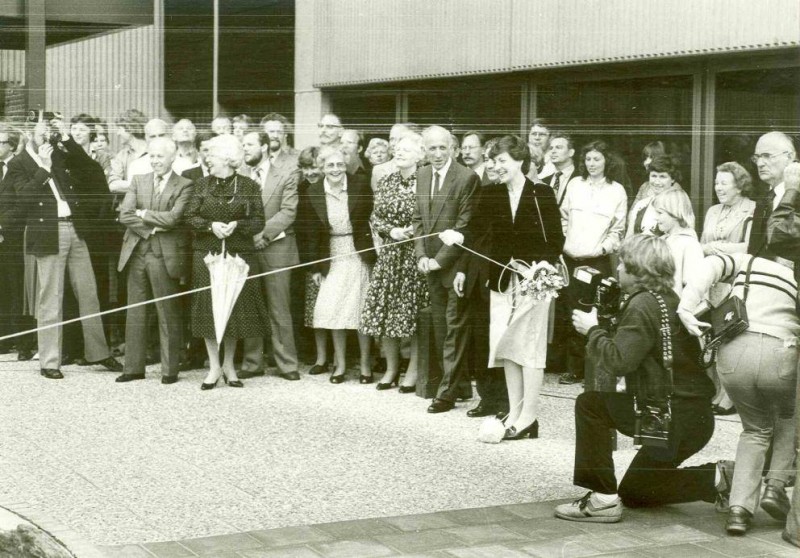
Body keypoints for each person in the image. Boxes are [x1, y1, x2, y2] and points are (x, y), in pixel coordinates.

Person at [555, 235, 719, 524]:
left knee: (590, 404)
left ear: (637, 271)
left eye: (622, 265)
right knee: (636, 491)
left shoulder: (642, 304)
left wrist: (592, 330)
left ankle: (602, 500)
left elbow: (620, 361)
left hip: (669, 415)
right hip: (692, 416)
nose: (617, 269)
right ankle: (722, 477)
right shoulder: (668, 298)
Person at [451, 135, 564, 436]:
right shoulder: (491, 194)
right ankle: (514, 414)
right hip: (501, 280)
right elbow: (473, 231)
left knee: (529, 347)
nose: (496, 166)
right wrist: (456, 237)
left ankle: (529, 417)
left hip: (535, 280)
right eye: (493, 161)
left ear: (519, 162)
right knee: (507, 346)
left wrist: (537, 266)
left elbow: (556, 241)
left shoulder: (542, 194)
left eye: (502, 161)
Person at [679, 252, 798, 535]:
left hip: (733, 355)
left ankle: (739, 511)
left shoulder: (748, 262)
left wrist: (686, 307)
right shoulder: (795, 277)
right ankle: (776, 487)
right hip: (780, 354)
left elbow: (707, 265)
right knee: (789, 420)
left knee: (754, 430)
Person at [6, 120, 122, 379]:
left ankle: (98, 352)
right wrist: (43, 170)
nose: (47, 136)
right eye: (42, 132)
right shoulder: (18, 164)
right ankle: (49, 361)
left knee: (89, 292)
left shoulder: (58, 153)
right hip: (47, 233)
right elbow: (21, 199)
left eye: (50, 131)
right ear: (29, 134)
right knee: (51, 298)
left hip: (74, 229)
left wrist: (67, 140)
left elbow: (90, 169)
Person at [184, 134, 269, 389]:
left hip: (238, 255)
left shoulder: (249, 186)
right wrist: (211, 226)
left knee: (233, 310)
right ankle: (213, 367)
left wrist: (237, 225)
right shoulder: (200, 184)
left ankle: (230, 366)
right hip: (206, 255)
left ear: (229, 159)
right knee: (209, 309)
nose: (208, 158)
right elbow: (189, 216)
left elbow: (259, 222)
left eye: (213, 154)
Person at [412, 125, 480, 413]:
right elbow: (418, 220)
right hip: (429, 266)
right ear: (424, 151)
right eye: (431, 148)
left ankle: (447, 393)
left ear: (453, 149)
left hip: (456, 265)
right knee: (442, 329)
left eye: (443, 148)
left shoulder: (467, 178)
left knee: (454, 328)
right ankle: (459, 385)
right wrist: (420, 257)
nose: (437, 154)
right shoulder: (423, 174)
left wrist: (439, 260)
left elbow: (465, 226)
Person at [115, 137, 194, 384]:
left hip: (164, 255)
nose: (155, 161)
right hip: (137, 251)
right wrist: (149, 228)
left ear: (173, 158)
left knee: (166, 311)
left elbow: (174, 219)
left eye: (160, 156)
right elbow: (125, 214)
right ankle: (133, 368)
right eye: (152, 156)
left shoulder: (185, 185)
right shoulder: (139, 180)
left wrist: (144, 213)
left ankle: (169, 371)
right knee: (135, 311)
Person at [360, 133, 428, 392]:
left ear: (419, 155)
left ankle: (413, 370)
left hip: (414, 253)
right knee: (385, 312)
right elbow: (375, 217)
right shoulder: (387, 180)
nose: (398, 154)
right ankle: (390, 368)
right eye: (397, 150)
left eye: (406, 151)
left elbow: (430, 216)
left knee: (412, 313)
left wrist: (411, 230)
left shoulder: (425, 181)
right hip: (390, 255)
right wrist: (391, 231)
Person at [302, 147, 375, 383]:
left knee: (361, 309)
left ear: (346, 166)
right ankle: (340, 365)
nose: (335, 169)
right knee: (333, 310)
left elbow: (371, 220)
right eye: (330, 165)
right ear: (322, 168)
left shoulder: (360, 185)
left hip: (357, 253)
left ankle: (365, 366)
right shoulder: (314, 191)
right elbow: (312, 233)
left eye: (339, 165)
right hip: (331, 255)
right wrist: (315, 267)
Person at [558, 140, 628, 385]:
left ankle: (596, 368)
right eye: (588, 159)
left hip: (597, 262)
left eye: (597, 159)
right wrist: (565, 244)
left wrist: (601, 248)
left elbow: (618, 229)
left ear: (606, 161)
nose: (592, 164)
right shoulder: (575, 185)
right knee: (571, 312)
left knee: (596, 313)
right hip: (570, 260)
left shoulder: (617, 190)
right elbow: (563, 217)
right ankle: (574, 368)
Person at [239, 131, 302, 382]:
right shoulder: (239, 176)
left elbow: (288, 211)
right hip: (246, 248)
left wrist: (261, 234)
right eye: (243, 145)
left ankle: (287, 364)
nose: (245, 149)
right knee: (250, 305)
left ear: (264, 147)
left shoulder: (286, 173)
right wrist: (248, 235)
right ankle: (252, 362)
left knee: (279, 308)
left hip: (277, 248)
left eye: (250, 145)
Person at [700, 161, 756, 415]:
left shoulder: (752, 210)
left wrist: (716, 248)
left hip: (736, 283)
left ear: (739, 185)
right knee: (711, 338)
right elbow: (702, 243)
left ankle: (730, 396)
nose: (718, 187)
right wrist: (710, 248)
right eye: (716, 183)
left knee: (730, 339)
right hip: (712, 283)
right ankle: (714, 390)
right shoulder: (713, 210)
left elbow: (749, 247)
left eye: (724, 183)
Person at [0, 125, 36, 360]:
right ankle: (4, 340)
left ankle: (24, 343)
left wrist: (2, 226)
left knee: (17, 289)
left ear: (11, 146)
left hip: (13, 237)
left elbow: (22, 204)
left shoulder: (19, 167)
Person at [293, 146, 329, 372]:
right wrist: (312, 264)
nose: (310, 172)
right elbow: (303, 230)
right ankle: (320, 357)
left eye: (314, 167)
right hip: (311, 257)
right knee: (315, 309)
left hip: (335, 252)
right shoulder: (302, 189)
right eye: (305, 168)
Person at [746, 131, 797, 258]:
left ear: (790, 157)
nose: (760, 163)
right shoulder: (764, 200)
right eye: (757, 157)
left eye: (767, 156)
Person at [651, 189, 704, 296]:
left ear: (675, 213)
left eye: (660, 213)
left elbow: (693, 286)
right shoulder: (663, 239)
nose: (656, 217)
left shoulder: (690, 244)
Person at [626, 156, 683, 238]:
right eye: (654, 176)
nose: (657, 182)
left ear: (673, 179)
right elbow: (629, 238)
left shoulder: (679, 206)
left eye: (662, 177)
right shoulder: (641, 205)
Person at [371, 123, 419, 190]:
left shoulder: (423, 170)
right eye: (392, 139)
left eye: (400, 139)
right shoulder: (378, 170)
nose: (393, 144)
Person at [539, 132, 576, 207]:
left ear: (571, 152)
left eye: (558, 147)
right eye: (551, 148)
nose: (553, 151)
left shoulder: (582, 178)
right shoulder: (543, 182)